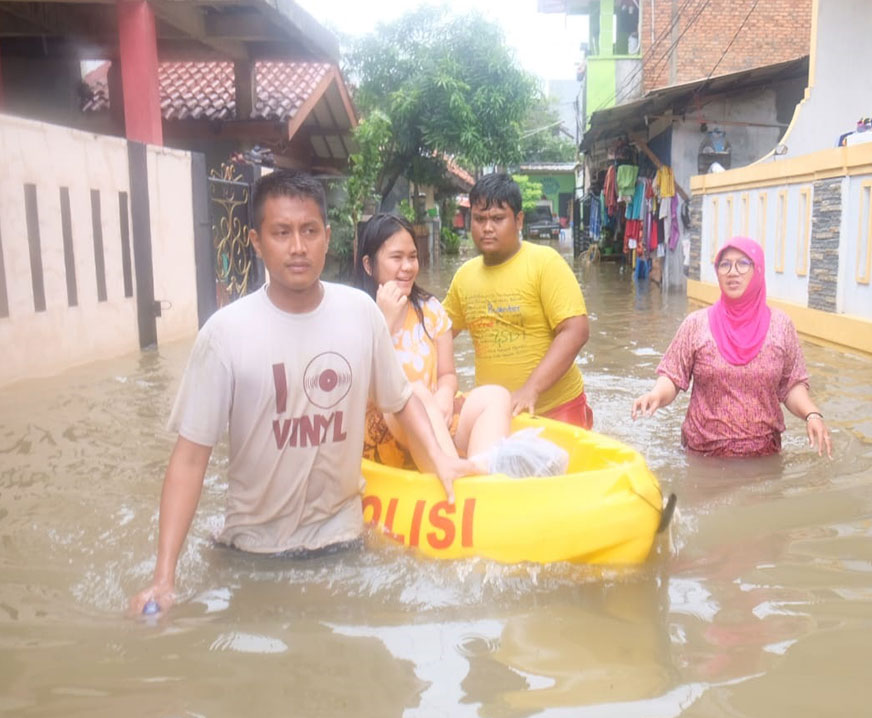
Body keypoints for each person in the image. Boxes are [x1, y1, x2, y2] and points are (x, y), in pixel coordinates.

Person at [130, 170, 477, 615]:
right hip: (252, 554)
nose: (298, 247)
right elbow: (190, 458)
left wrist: (442, 461)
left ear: (328, 238)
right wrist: (164, 578)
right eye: (282, 232)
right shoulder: (225, 334)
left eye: (309, 231)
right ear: (256, 241)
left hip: (345, 542)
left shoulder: (360, 315)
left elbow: (402, 399)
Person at [632, 235, 833, 458]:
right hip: (702, 456)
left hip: (763, 458)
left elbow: (792, 385)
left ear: (758, 270)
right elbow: (672, 376)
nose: (732, 272)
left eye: (743, 264)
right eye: (725, 264)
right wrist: (655, 396)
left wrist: (812, 414)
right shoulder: (697, 324)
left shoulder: (781, 326)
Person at [357, 213, 512, 470]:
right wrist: (386, 324)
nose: (407, 267)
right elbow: (353, 391)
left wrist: (442, 396)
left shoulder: (430, 309)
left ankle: (482, 481)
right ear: (368, 264)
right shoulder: (354, 312)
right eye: (396, 257)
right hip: (384, 428)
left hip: (435, 421)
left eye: (412, 257)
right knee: (413, 393)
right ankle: (454, 477)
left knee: (496, 395)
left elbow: (447, 373)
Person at [443, 173, 593, 428]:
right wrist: (441, 390)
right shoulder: (464, 277)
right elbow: (438, 333)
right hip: (496, 414)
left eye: (498, 219)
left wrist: (530, 390)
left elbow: (576, 331)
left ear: (519, 220)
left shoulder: (545, 263)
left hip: (557, 409)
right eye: (479, 219)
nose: (487, 228)